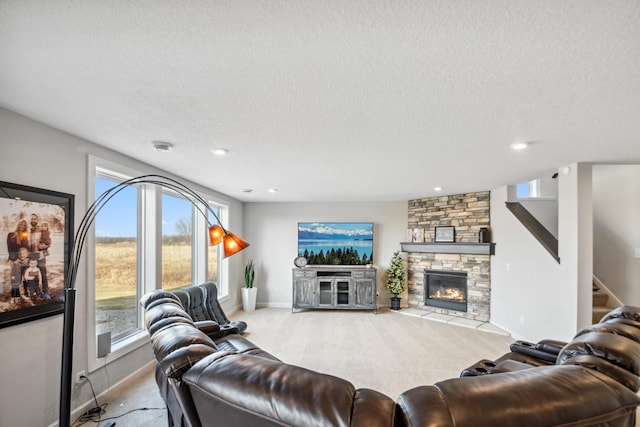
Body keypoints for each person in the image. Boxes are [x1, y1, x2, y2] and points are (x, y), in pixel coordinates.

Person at [28, 213, 51, 299]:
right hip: (31, 256)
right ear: (30, 220)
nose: (33, 220)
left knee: (43, 274)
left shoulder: (41, 229)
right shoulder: (28, 230)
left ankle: (46, 292)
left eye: (35, 219)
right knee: (33, 274)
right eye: (32, 219)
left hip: (41, 256)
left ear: (37, 220)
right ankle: (36, 292)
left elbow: (48, 240)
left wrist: (46, 245)